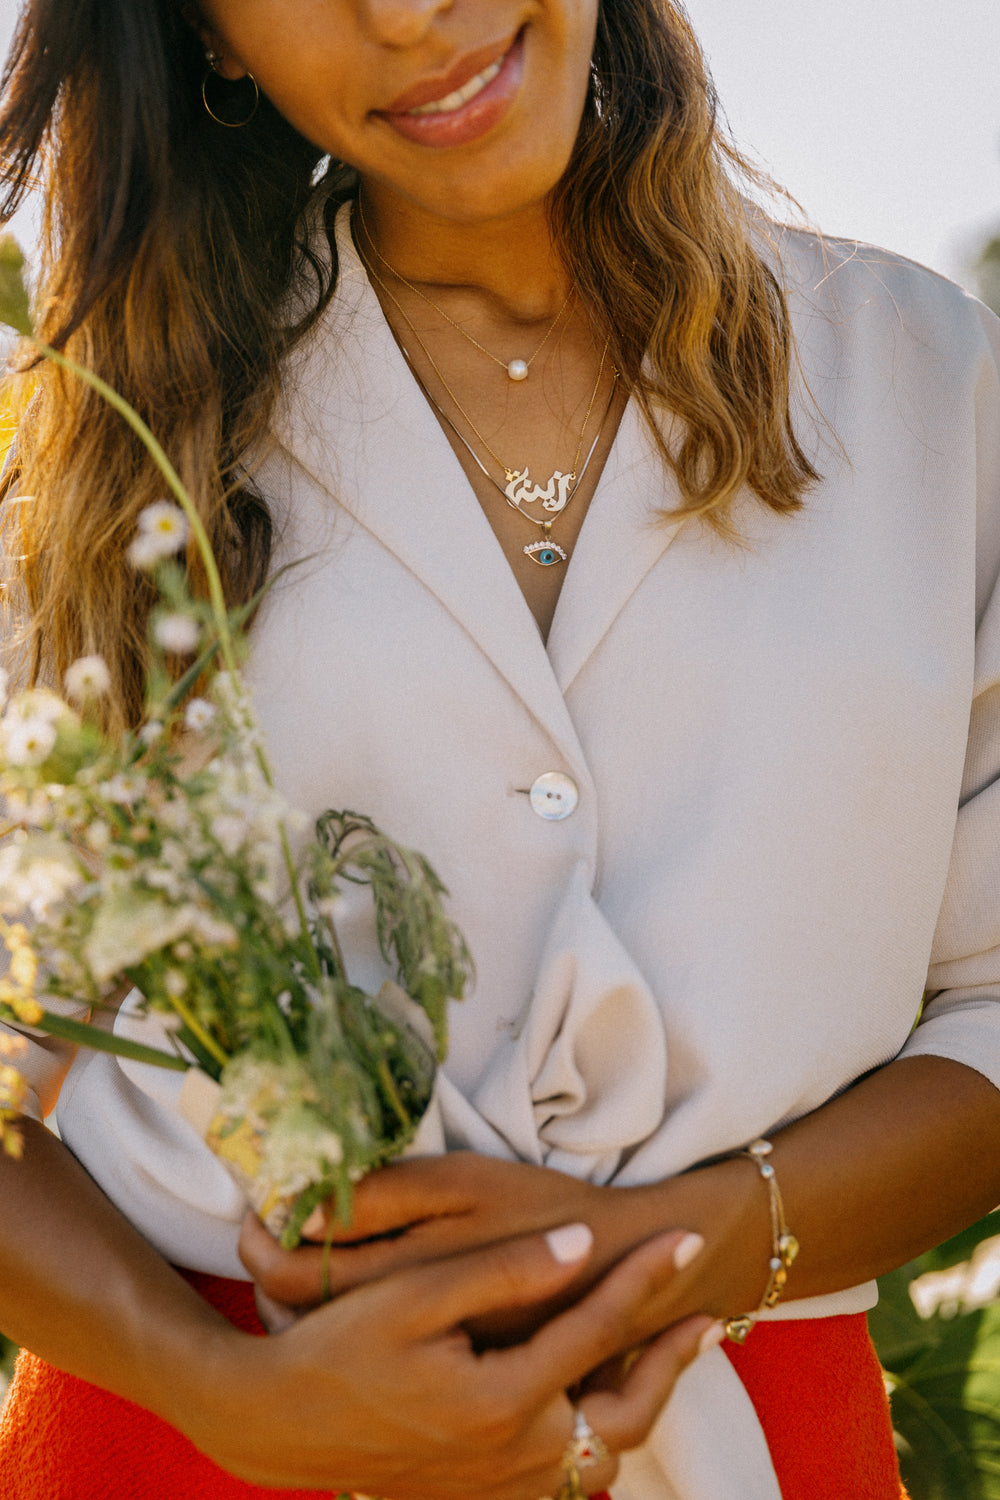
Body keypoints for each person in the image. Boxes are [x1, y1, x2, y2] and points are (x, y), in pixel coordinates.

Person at [0, 2, 999, 1497]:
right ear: (210, 40)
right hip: (190, 1441)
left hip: (759, 1432)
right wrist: (213, 1385)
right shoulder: (100, 445)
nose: (407, 12)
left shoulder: (932, 390)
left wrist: (690, 1248)